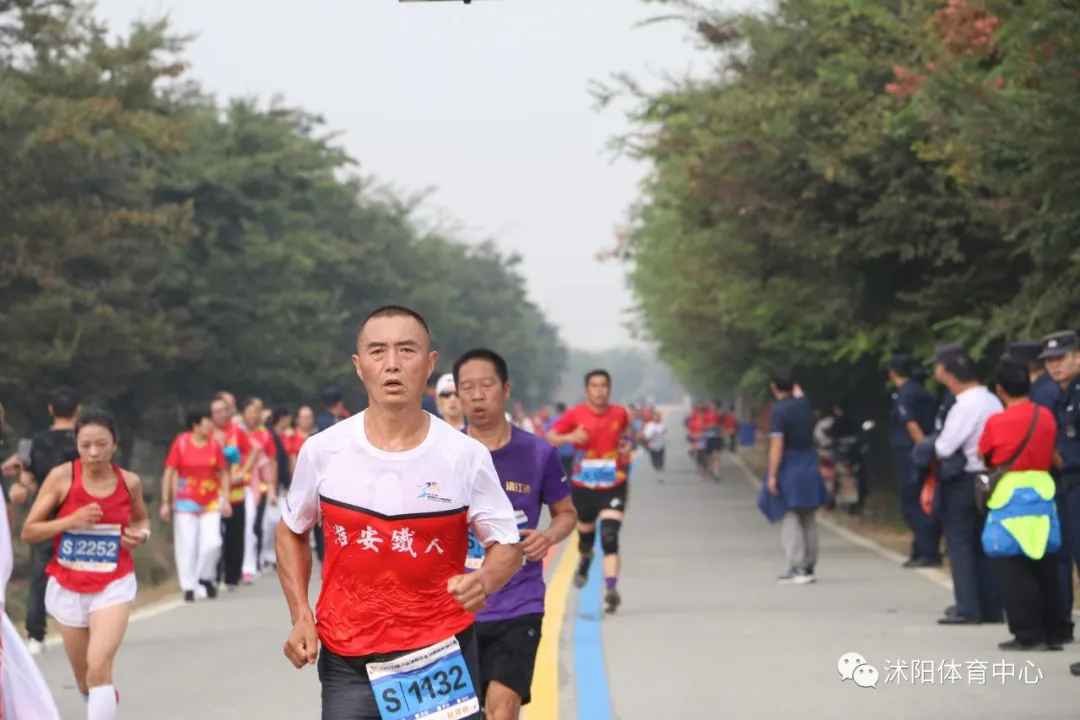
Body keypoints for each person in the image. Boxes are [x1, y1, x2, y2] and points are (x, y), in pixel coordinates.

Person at [275, 305, 522, 720]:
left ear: (429, 365)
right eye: (377, 352)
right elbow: (291, 531)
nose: (392, 364)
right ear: (359, 366)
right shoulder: (323, 451)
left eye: (406, 350)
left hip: (438, 652)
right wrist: (301, 614)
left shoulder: (464, 456)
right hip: (348, 655)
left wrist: (485, 578)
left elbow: (508, 545)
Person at [454, 348, 577, 720]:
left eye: (486, 385)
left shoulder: (538, 453)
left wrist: (549, 537)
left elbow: (566, 514)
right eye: (467, 388)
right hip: (457, 607)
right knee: (462, 712)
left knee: (502, 707)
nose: (477, 395)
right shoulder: (444, 453)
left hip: (520, 604)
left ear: (505, 389)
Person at [21, 408, 151, 720]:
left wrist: (141, 535)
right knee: (85, 681)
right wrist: (70, 520)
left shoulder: (128, 482)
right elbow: (29, 531)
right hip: (68, 584)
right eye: (86, 445)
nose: (93, 452)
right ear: (77, 445)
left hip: (113, 583)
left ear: (114, 444)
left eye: (101, 444)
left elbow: (141, 519)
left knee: (98, 668)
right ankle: (102, 699)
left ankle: (101, 696)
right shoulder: (62, 477)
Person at [978, 355, 1067, 650]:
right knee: (1046, 565)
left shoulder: (996, 421)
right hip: (1042, 494)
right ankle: (1056, 631)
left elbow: (985, 456)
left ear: (1000, 390)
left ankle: (1028, 634)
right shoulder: (1045, 415)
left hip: (1010, 498)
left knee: (1014, 568)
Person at [546, 370, 633, 612]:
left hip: (614, 483)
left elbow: (626, 438)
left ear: (610, 388)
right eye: (594, 386)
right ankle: (585, 558)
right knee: (586, 537)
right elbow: (550, 437)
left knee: (609, 536)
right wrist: (571, 436)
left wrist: (627, 446)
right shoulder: (575, 414)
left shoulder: (620, 413)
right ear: (587, 390)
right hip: (584, 486)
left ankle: (611, 590)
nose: (600, 390)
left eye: (604, 385)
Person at [8, 385, 81, 654]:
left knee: (41, 575)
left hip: (45, 514)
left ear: (50, 410)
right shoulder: (85, 441)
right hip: (79, 514)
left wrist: (23, 488)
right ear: (78, 409)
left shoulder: (33, 443)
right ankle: (83, 624)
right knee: (83, 571)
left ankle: (35, 634)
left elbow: (25, 479)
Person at [933, 353, 1004, 625]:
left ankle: (967, 607)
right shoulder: (992, 400)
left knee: (960, 543)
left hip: (964, 479)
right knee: (984, 543)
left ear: (950, 376)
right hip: (990, 478)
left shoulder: (964, 405)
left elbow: (944, 446)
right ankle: (991, 606)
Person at [757, 375, 829, 584]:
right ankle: (808, 565)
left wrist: (772, 475)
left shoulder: (779, 411)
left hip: (790, 465)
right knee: (807, 515)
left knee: (788, 514)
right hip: (808, 463)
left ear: (773, 387)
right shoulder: (804, 406)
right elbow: (801, 396)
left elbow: (777, 444)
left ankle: (796, 567)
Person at [1038, 330, 1080, 674]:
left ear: (1078, 357)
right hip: (1069, 486)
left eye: (1061, 358)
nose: (1054, 366)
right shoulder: (1065, 396)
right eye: (1049, 361)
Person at [160, 407, 231, 603]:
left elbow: (223, 472)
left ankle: (203, 576)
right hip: (185, 501)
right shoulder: (181, 443)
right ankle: (188, 586)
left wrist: (225, 499)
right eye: (207, 422)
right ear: (196, 425)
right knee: (187, 545)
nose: (210, 426)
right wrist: (166, 501)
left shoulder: (214, 445)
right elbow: (169, 471)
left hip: (210, 501)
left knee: (213, 543)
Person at [887, 355, 942, 568]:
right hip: (925, 451)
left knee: (913, 504)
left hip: (912, 455)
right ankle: (923, 548)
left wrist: (922, 451)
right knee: (925, 501)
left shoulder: (904, 394)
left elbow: (911, 423)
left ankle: (926, 551)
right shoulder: (922, 391)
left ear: (892, 372)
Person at [210, 393, 259, 591]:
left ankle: (232, 576)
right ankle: (213, 574)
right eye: (218, 411)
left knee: (235, 534)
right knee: (214, 536)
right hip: (213, 491)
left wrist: (244, 472)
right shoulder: (208, 432)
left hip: (236, 490)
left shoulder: (236, 431)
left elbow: (252, 452)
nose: (223, 414)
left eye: (225, 410)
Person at [545, 402, 575, 481]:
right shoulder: (570, 419)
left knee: (557, 475)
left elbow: (546, 435)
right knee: (568, 474)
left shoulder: (551, 420)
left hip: (555, 451)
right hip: (569, 452)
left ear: (556, 410)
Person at [641, 411, 667, 483]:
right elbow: (646, 435)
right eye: (655, 417)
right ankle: (656, 471)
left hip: (661, 445)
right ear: (653, 418)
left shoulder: (663, 425)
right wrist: (651, 434)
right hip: (652, 446)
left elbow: (665, 432)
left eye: (658, 417)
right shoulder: (649, 425)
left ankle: (661, 472)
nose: (657, 418)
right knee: (654, 460)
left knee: (661, 459)